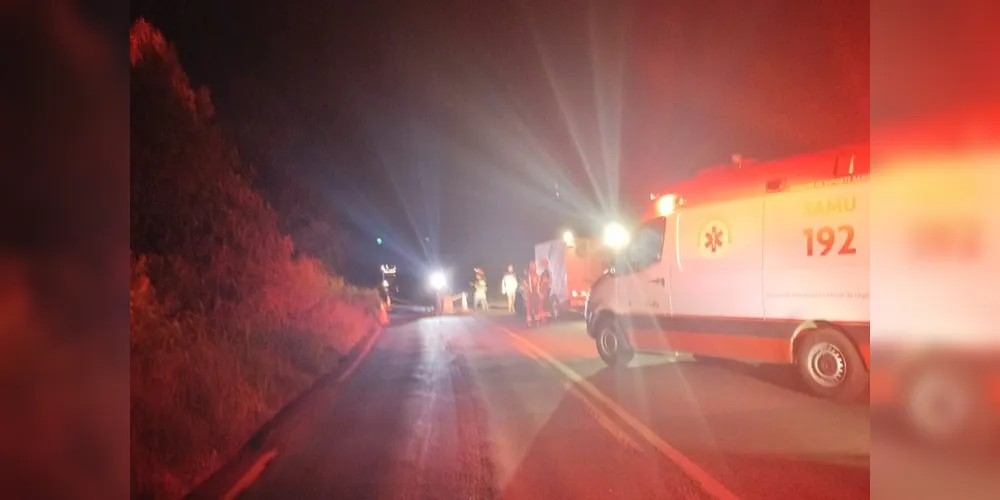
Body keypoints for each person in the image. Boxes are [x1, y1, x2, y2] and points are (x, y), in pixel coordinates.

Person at [522, 261, 541, 326]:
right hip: (529, 294)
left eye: (534, 266)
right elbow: (524, 282)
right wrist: (527, 289)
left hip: (535, 294)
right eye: (532, 266)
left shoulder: (537, 276)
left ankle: (537, 321)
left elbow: (538, 285)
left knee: (536, 307)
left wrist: (539, 293)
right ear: (530, 267)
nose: (533, 267)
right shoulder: (528, 275)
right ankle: (529, 322)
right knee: (529, 308)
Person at [537, 258, 552, 323]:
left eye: (545, 263)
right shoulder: (545, 271)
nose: (543, 264)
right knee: (545, 305)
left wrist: (542, 293)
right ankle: (545, 319)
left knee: (544, 305)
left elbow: (548, 280)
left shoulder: (547, 272)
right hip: (544, 290)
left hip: (545, 290)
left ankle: (545, 320)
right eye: (543, 263)